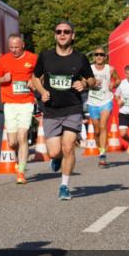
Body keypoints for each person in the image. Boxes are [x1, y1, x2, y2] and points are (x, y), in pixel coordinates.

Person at [29, 20, 96, 200]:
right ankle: (56, 158)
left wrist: (84, 83)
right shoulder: (45, 56)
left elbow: (92, 79)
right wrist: (42, 91)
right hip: (51, 110)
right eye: (59, 31)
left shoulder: (80, 58)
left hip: (72, 108)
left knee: (68, 148)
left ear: (72, 35)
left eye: (66, 31)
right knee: (54, 152)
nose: (62, 34)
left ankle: (64, 186)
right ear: (55, 35)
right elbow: (35, 77)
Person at [0, 34, 38, 184]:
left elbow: (42, 75)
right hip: (10, 103)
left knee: (22, 135)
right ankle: (19, 159)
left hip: (26, 102)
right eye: (11, 47)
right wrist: (3, 79)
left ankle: (21, 172)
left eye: (16, 47)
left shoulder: (32, 58)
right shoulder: (4, 59)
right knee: (12, 142)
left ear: (23, 45)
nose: (14, 50)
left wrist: (34, 81)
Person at [86, 48, 119, 167]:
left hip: (106, 100)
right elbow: (83, 81)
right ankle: (100, 149)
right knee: (96, 131)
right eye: (96, 54)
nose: (99, 56)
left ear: (105, 57)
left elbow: (118, 79)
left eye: (101, 54)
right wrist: (90, 83)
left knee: (103, 125)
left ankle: (103, 154)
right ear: (94, 57)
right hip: (92, 102)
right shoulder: (89, 69)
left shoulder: (110, 69)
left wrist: (114, 84)